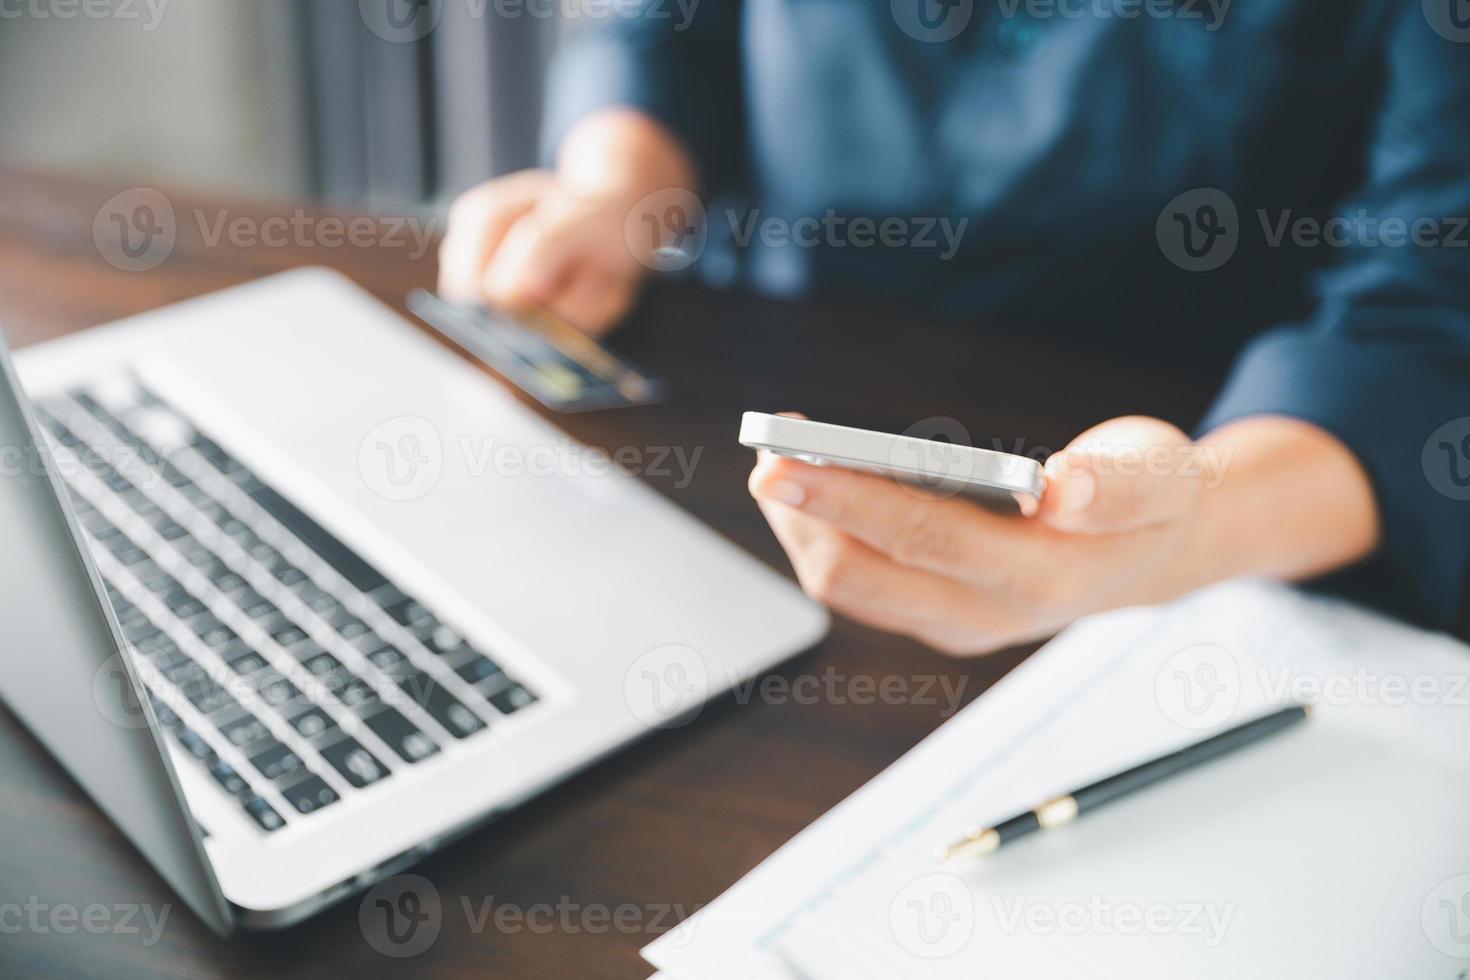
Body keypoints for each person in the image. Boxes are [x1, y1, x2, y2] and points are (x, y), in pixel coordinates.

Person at [438, 1, 1470, 653]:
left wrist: (1188, 530)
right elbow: (675, 26)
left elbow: (1427, 332)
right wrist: (619, 186)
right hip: (718, 411)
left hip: (1180, 528)